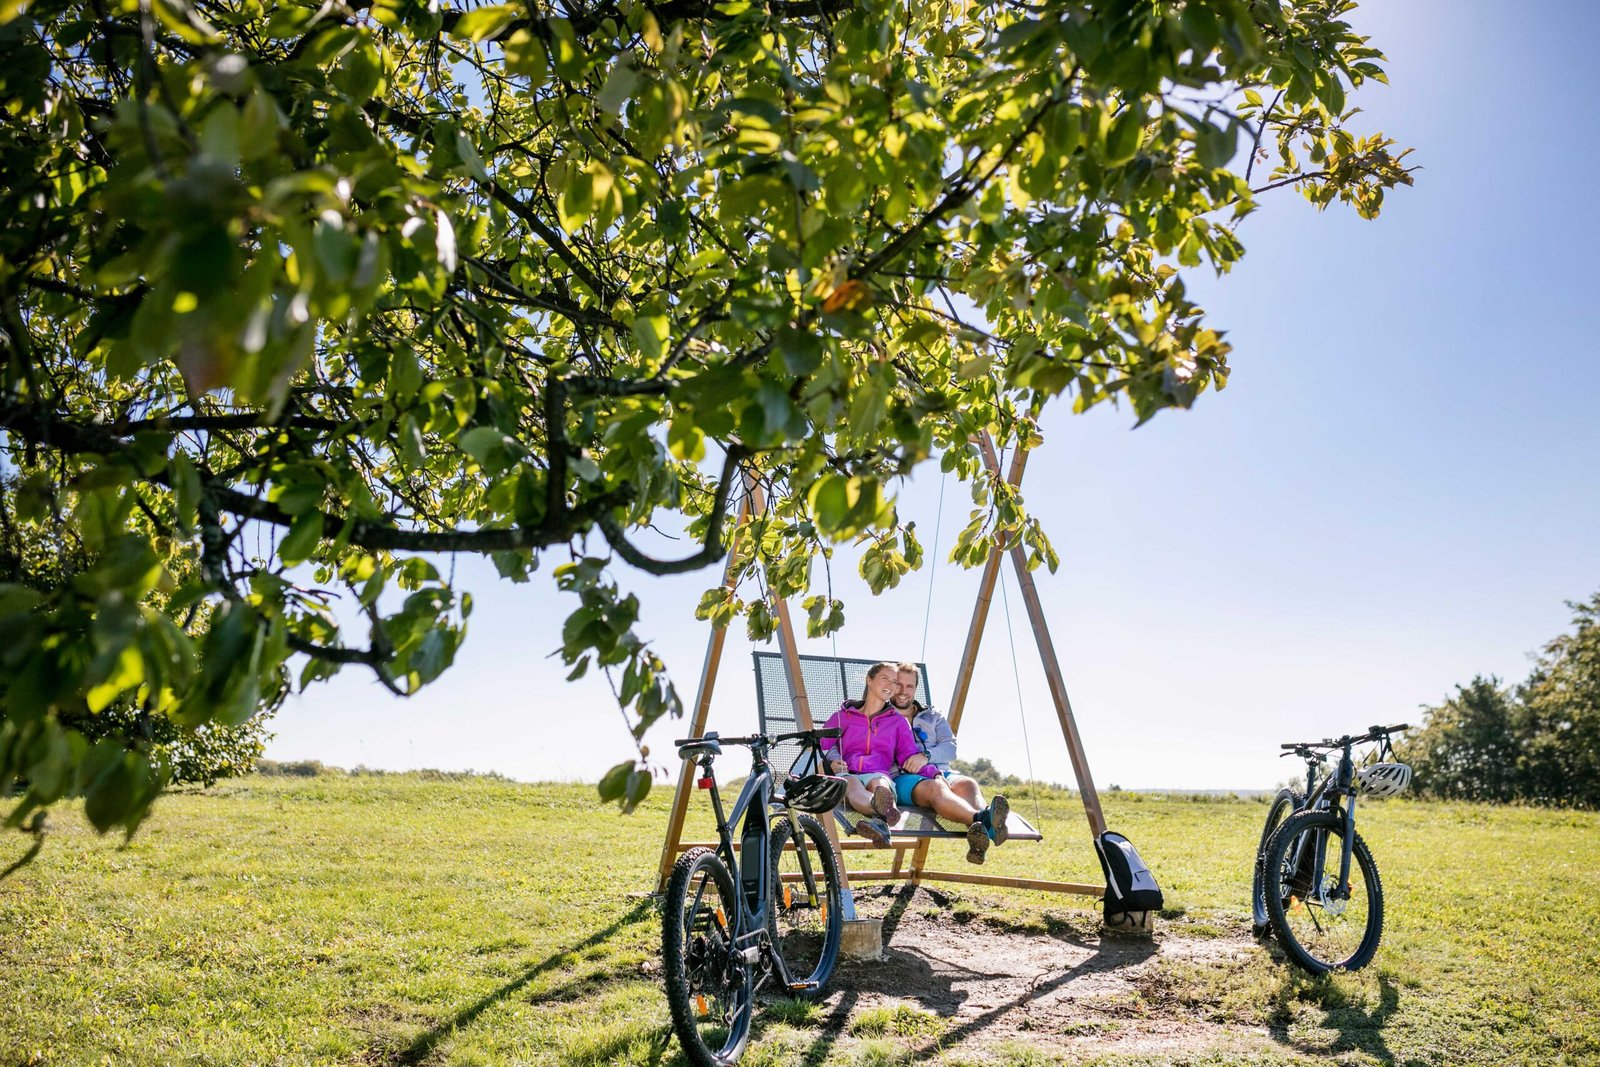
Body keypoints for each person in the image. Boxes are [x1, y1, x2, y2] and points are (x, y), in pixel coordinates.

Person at [889, 662, 1010, 863]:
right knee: (936, 788)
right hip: (904, 776)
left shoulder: (932, 716)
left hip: (939, 770)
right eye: (898, 685)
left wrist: (926, 756)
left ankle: (981, 831)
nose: (903, 691)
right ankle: (983, 822)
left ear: (915, 689)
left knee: (968, 783)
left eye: (909, 686)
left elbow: (950, 748)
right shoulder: (882, 717)